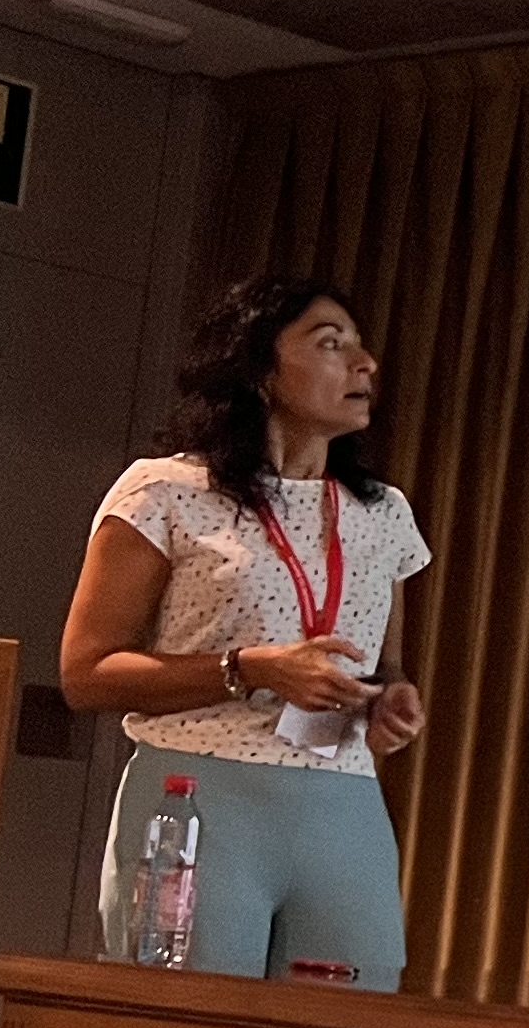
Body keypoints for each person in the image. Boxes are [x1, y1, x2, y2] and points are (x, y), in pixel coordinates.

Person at [60, 277, 430, 986]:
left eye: (360, 345)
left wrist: (391, 700)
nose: (365, 363)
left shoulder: (384, 512)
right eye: (331, 343)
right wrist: (251, 669)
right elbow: (85, 674)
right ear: (259, 369)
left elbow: (386, 666)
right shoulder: (166, 490)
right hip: (196, 800)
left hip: (344, 804)